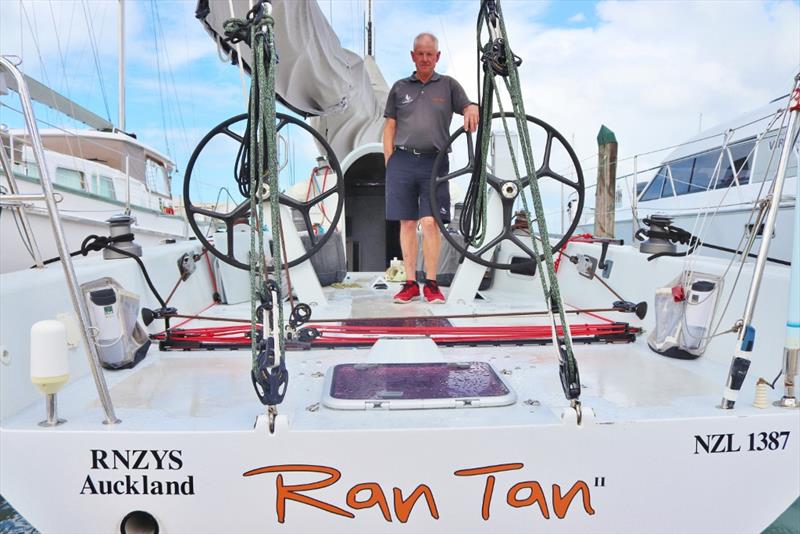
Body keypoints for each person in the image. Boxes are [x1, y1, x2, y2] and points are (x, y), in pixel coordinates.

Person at [383, 32, 479, 304]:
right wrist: (389, 160)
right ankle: (410, 283)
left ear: (437, 57)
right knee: (407, 222)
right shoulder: (400, 87)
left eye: (430, 54)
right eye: (420, 54)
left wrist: (472, 106)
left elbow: (467, 106)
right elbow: (389, 126)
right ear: (413, 56)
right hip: (401, 160)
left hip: (435, 161)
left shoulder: (448, 85)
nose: (425, 59)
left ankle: (432, 284)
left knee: (430, 222)